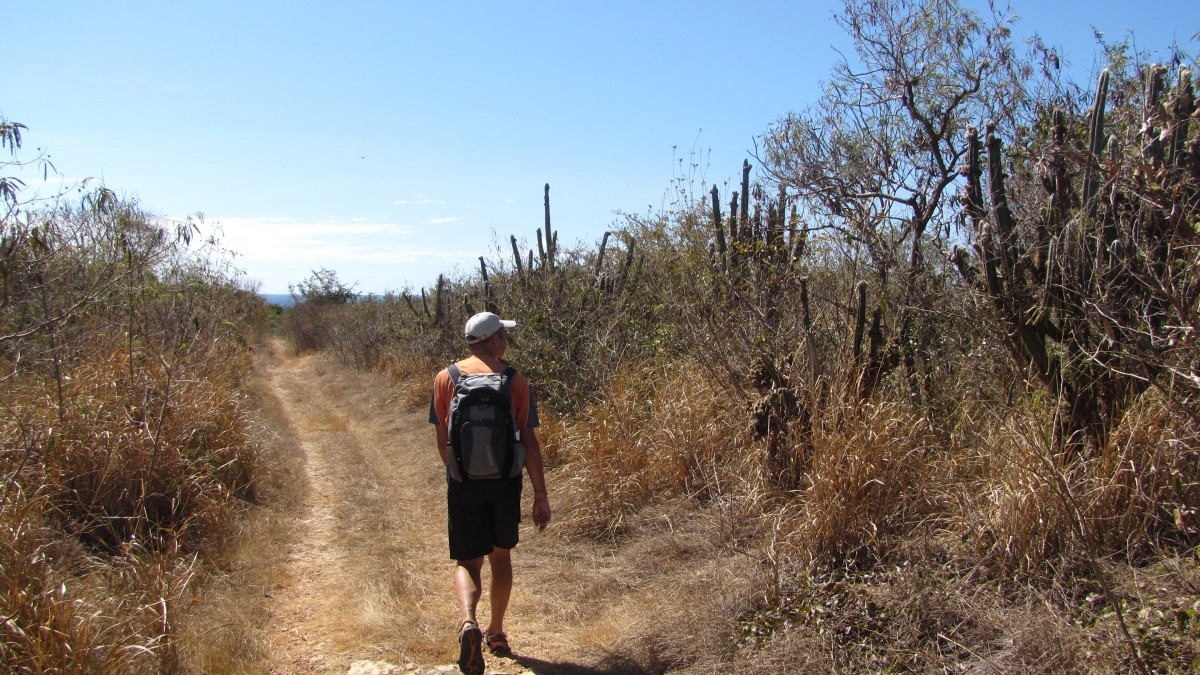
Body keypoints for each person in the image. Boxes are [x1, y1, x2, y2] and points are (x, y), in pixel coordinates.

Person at [429, 311, 551, 675]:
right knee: (500, 558)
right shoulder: (514, 380)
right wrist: (539, 495)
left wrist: (461, 475)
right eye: (503, 334)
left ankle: (469, 622)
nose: (506, 339)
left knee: (467, 562)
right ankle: (496, 633)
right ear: (494, 339)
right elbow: (529, 442)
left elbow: (442, 442)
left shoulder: (445, 378)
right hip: (504, 482)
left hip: (464, 480)